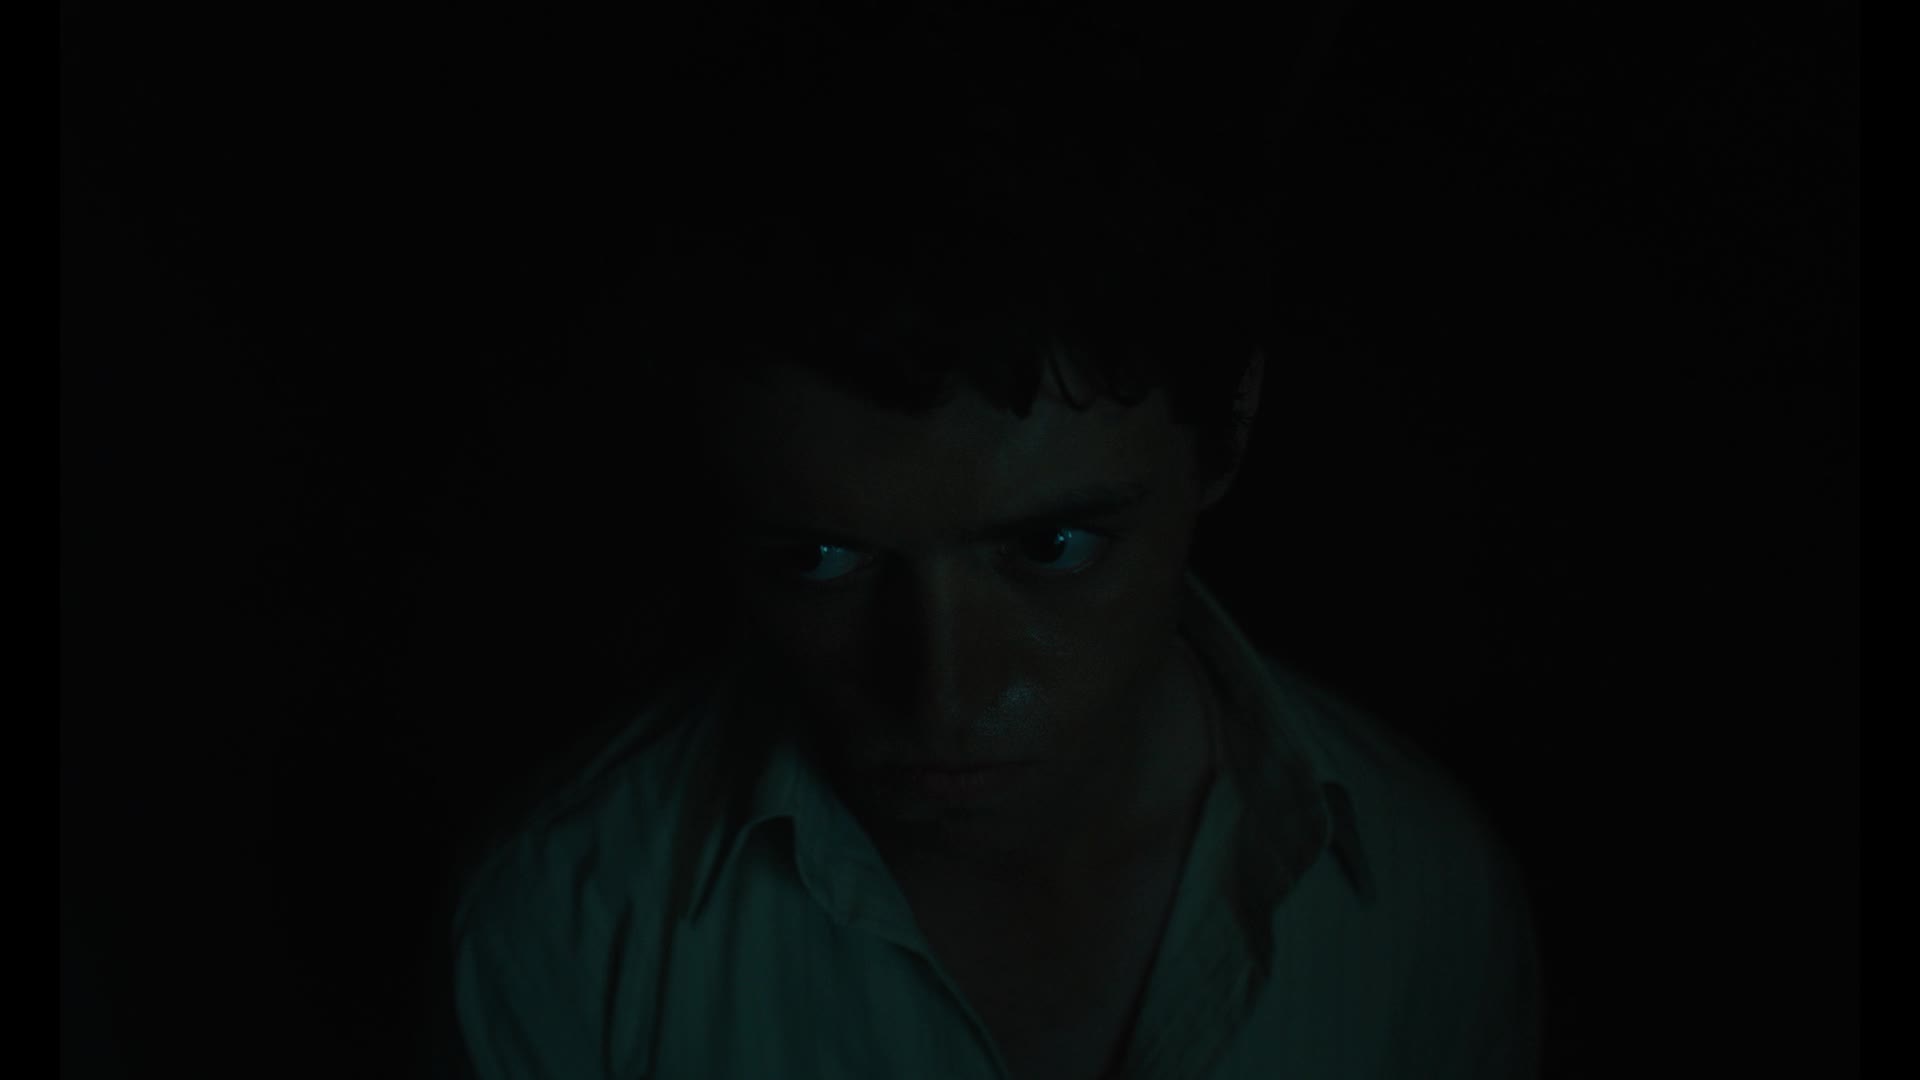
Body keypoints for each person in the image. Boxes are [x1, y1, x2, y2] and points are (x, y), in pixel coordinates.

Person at [435, 7, 1542, 1078]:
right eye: (822, 561)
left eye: (1052, 547)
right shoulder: (562, 927)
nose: (946, 693)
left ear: (1232, 427)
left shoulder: (1426, 899)